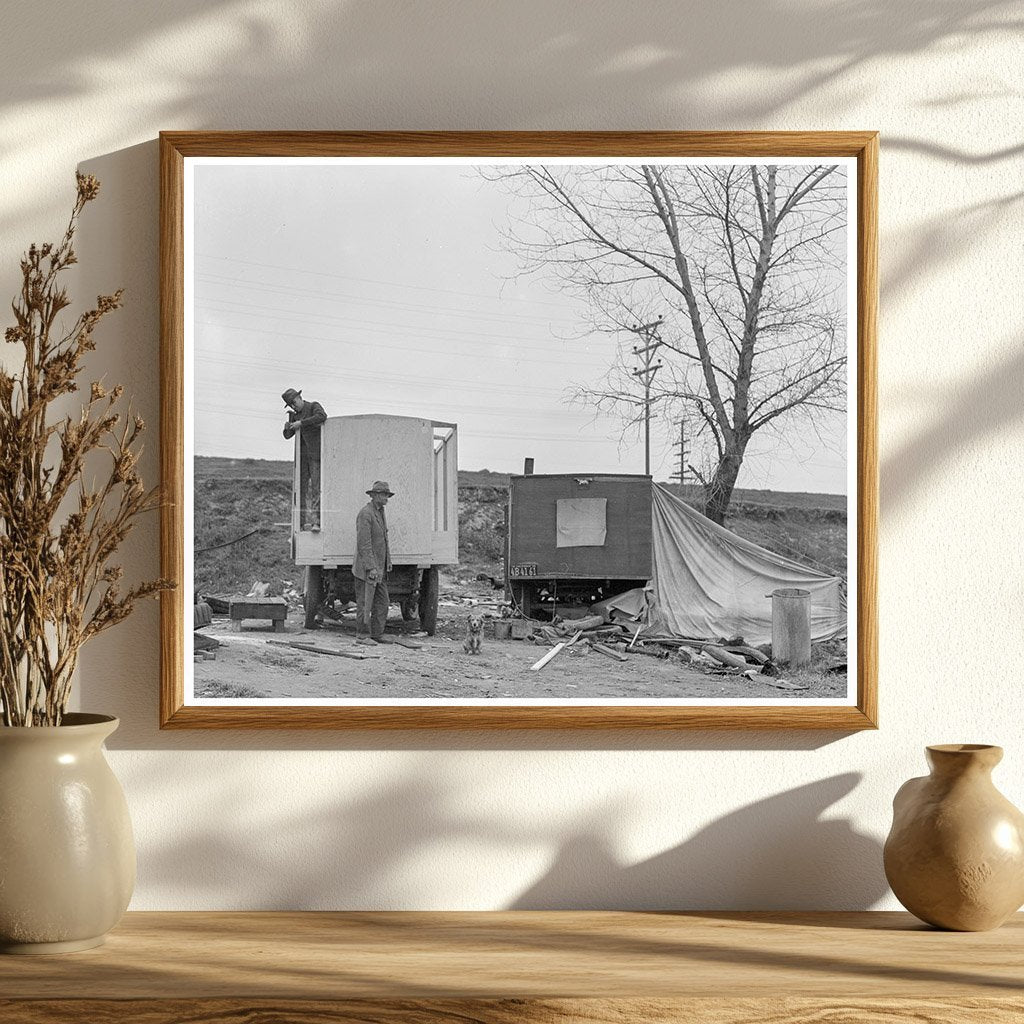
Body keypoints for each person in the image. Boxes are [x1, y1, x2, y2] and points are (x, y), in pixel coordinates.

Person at [353, 481, 394, 643]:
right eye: (384, 495)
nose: (387, 498)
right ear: (375, 495)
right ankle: (362, 636)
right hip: (367, 569)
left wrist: (387, 561)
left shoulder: (380, 511)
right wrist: (371, 567)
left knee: (382, 602)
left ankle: (377, 634)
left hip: (379, 568)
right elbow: (364, 544)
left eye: (387, 495)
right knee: (365, 603)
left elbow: (384, 539)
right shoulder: (366, 514)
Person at [281, 388, 327, 530]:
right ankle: (300, 523)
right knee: (301, 490)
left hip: (315, 457)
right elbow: (287, 435)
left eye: (294, 403)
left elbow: (322, 416)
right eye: (291, 405)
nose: (294, 407)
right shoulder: (295, 415)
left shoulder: (314, 406)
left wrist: (301, 423)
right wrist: (288, 425)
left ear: (300, 397)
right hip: (302, 459)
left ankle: (317, 522)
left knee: (316, 489)